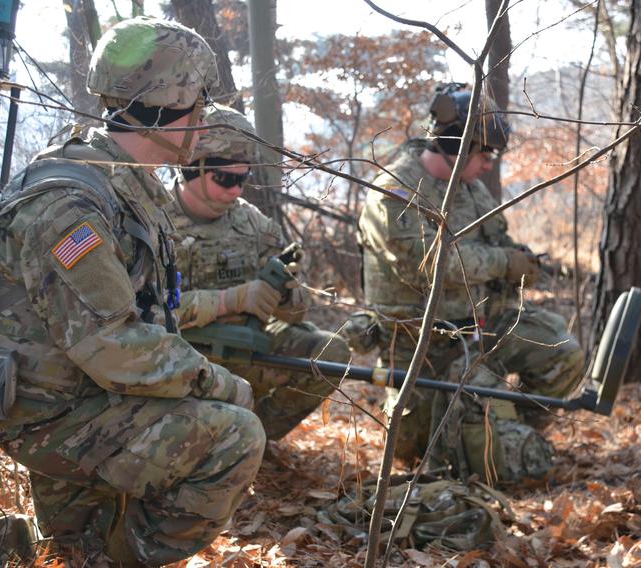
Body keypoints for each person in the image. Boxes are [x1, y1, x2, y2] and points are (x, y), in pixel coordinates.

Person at [0, 17, 265, 567]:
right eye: (198, 108)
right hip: (52, 413)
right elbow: (113, 347)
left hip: (71, 395)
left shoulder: (119, 182)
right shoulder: (70, 204)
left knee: (72, 545)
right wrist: (217, 382)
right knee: (236, 436)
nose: (204, 124)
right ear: (163, 105)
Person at [356, 83, 585, 485]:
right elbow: (431, 263)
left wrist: (522, 261)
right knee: (434, 449)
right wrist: (503, 263)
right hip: (423, 348)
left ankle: (512, 433)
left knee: (561, 351)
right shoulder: (392, 193)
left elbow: (497, 243)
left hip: (481, 326)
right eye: (485, 154)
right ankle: (481, 437)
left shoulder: (472, 190)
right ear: (455, 148)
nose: (489, 165)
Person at [168, 103, 350, 440]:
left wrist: (284, 295)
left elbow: (295, 312)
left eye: (244, 178)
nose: (236, 190)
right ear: (192, 166)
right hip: (177, 361)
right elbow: (135, 314)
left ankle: (255, 440)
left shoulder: (255, 225)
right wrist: (229, 300)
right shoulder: (153, 221)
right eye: (225, 179)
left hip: (246, 350)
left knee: (331, 353)